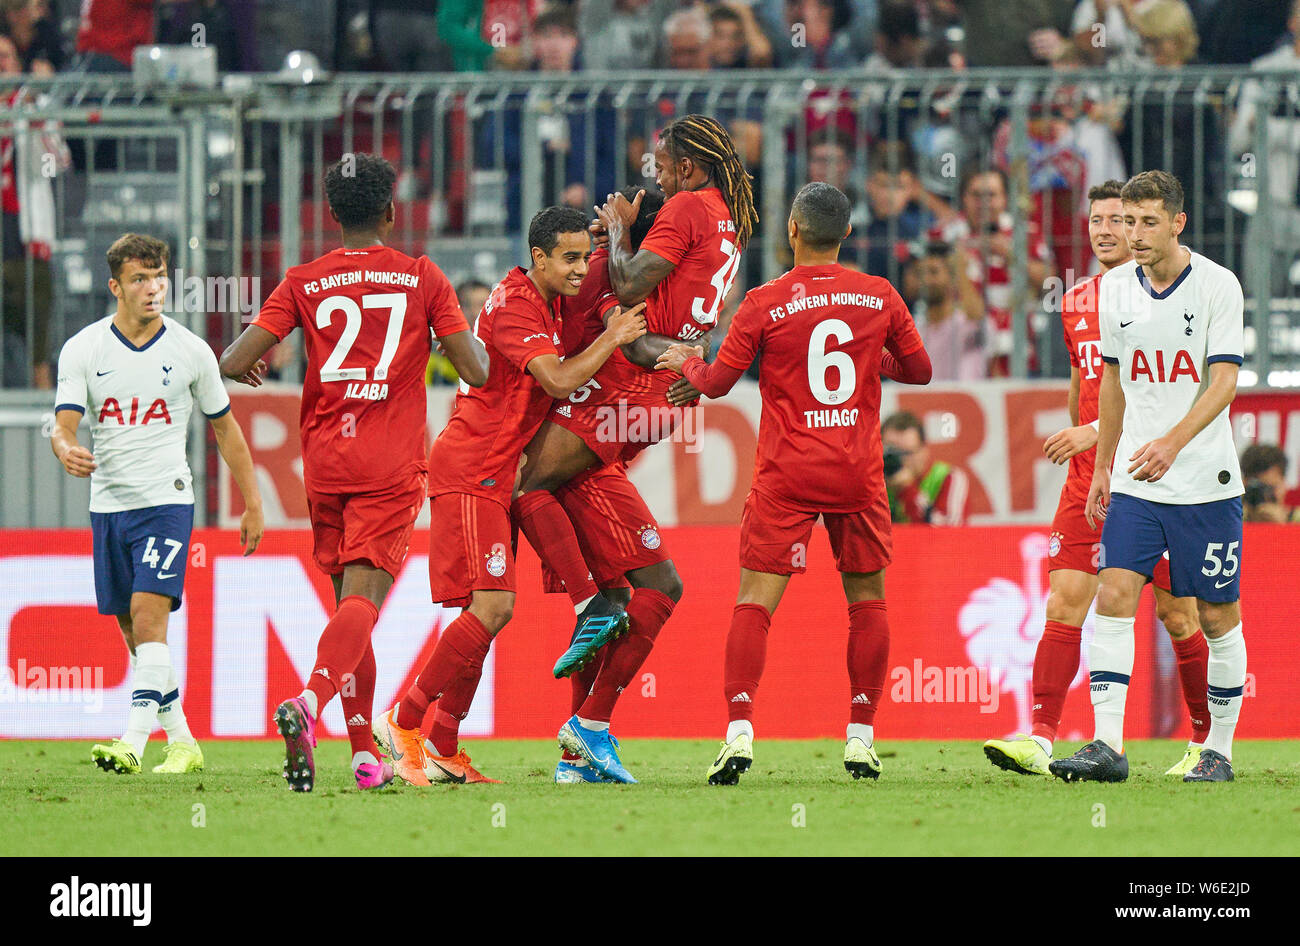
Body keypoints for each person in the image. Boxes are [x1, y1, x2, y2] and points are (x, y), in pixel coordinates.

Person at [219, 153, 490, 793]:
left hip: (324, 463)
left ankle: (365, 758)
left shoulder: (303, 279)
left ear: (332, 216)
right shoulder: (421, 277)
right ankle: (309, 705)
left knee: (350, 608)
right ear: (391, 213)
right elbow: (475, 370)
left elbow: (232, 359)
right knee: (364, 606)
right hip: (389, 463)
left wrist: (250, 367)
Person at [657, 182, 933, 784]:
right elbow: (920, 370)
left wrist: (687, 365)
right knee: (867, 602)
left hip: (786, 473)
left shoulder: (762, 300)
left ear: (792, 232)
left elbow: (719, 382)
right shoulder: (879, 293)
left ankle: (739, 731)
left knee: (754, 602)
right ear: (848, 234)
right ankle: (860, 736)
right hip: (856, 471)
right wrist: (867, 359)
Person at [373, 206, 646, 787]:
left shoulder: (539, 295)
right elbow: (557, 378)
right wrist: (614, 335)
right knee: (494, 607)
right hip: (474, 468)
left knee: (484, 612)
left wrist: (612, 234)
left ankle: (444, 743)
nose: (580, 270)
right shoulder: (519, 304)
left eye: (584, 257)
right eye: (569, 259)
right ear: (539, 258)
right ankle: (405, 718)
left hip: (500, 471)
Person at [511, 114, 757, 699]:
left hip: (630, 386)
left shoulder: (689, 209)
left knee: (522, 480)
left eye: (666, 168)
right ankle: (586, 730)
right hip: (663, 394)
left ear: (690, 168)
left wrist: (620, 232)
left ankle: (586, 604)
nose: (662, 180)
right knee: (632, 579)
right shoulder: (731, 224)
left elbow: (626, 289)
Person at [984, 180, 1210, 780]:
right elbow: (1085, 383)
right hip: (1092, 480)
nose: (1109, 230)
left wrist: (1094, 434)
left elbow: (1169, 392)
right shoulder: (1077, 300)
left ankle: (1204, 742)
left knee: (1179, 615)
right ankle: (1039, 738)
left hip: (1152, 480)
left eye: (1121, 219)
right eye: (1100, 220)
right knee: (1065, 602)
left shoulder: (1165, 298)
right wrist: (1086, 443)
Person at [1055, 170, 1247, 784]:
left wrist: (1173, 440)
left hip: (1205, 481)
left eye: (1146, 223)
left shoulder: (1219, 285)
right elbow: (1110, 382)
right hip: (1138, 477)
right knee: (1112, 596)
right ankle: (1107, 744)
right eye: (1126, 221)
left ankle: (1218, 749)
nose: (1132, 235)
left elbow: (1224, 382)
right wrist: (1104, 465)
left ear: (1177, 223)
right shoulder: (1114, 289)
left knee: (1216, 616)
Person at [51, 233, 264, 776]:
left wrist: (253, 502)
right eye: (140, 278)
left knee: (149, 621)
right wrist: (66, 448)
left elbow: (227, 432)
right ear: (115, 286)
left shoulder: (191, 351)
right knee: (135, 633)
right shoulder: (84, 348)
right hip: (109, 506)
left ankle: (131, 742)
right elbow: (64, 425)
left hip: (167, 502)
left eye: (160, 275)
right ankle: (184, 741)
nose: (154, 288)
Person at [908, 241, 987, 382]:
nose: (926, 280)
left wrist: (961, 272)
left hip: (958, 401)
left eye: (933, 272)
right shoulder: (915, 328)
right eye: (921, 273)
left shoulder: (965, 323)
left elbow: (978, 315)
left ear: (951, 278)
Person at [882, 410, 970, 524]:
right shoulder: (872, 482)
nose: (898, 461)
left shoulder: (948, 477)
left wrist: (907, 490)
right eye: (891, 453)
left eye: (906, 453)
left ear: (924, 451)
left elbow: (951, 530)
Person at [1240, 443, 1300, 523]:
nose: (1264, 495)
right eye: (1258, 488)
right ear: (1243, 485)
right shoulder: (1229, 519)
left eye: (1270, 488)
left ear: (1284, 485)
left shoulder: (1296, 520)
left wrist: (1286, 527)